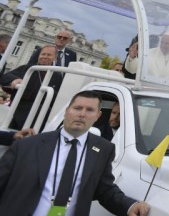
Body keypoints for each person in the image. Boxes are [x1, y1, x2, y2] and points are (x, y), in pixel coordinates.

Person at [0, 90, 150, 215]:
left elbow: (104, 189)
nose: (82, 114)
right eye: (77, 108)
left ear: (98, 115)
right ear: (67, 111)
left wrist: (129, 206)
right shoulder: (27, 146)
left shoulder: (104, 149)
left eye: (89, 110)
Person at [1, 45, 64, 129]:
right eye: (43, 54)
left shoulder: (57, 75)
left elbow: (58, 96)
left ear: (55, 58)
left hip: (41, 113)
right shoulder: (28, 68)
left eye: (48, 55)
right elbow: (5, 77)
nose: (44, 57)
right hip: (19, 109)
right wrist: (14, 80)